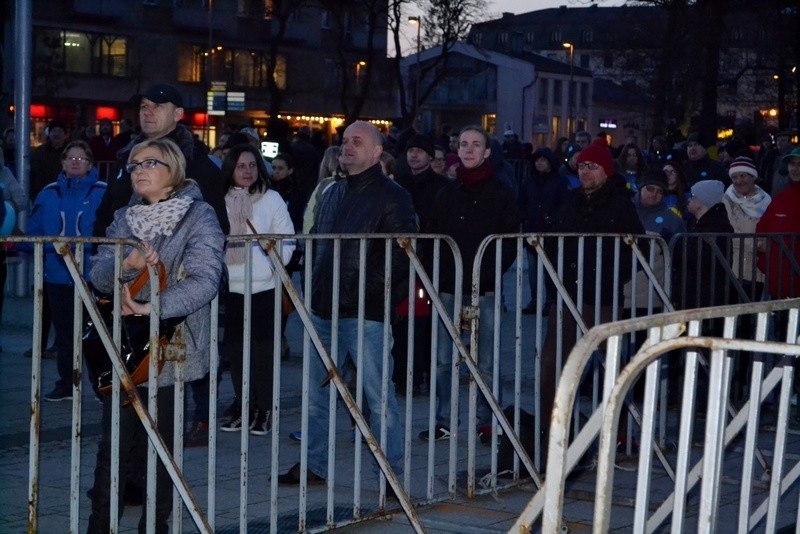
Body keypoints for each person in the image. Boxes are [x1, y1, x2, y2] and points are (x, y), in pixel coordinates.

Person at [87, 138, 224, 532]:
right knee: (111, 448)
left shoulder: (199, 215)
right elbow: (98, 275)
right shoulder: (123, 217)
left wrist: (154, 306)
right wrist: (126, 264)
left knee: (161, 452)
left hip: (171, 350)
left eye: (151, 162)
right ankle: (101, 526)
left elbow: (206, 277)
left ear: (174, 172)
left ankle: (156, 527)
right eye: (133, 165)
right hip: (126, 349)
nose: (139, 170)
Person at [277, 121, 417, 485]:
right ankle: (313, 465)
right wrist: (315, 292)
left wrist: (367, 294)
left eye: (357, 142)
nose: (347, 147)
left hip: (365, 314)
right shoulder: (332, 193)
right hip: (324, 309)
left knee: (378, 397)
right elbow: (320, 247)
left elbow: (400, 257)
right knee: (315, 395)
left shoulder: (394, 196)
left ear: (376, 152)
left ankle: (390, 473)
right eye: (344, 142)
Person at [539, 136, 645, 443]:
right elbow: (554, 238)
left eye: (593, 166)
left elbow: (636, 249)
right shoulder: (570, 201)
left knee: (611, 365)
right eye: (583, 166)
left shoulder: (620, 203)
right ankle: (553, 427)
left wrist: (611, 275)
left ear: (607, 171)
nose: (586, 172)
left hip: (602, 297)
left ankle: (617, 430)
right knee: (552, 364)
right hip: (567, 293)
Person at [421, 125, 521, 442]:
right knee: (443, 360)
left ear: (487, 152)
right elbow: (431, 235)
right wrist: (437, 274)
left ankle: (486, 421)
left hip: (485, 290)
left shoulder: (501, 192)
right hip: (449, 287)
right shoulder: (447, 192)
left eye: (476, 144)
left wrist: (488, 275)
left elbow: (508, 241)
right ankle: (444, 420)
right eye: (463, 143)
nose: (468, 150)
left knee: (487, 361)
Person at [219, 144, 295, 435]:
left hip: (264, 285)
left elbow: (288, 239)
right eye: (241, 166)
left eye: (252, 165)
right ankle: (244, 405)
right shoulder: (220, 200)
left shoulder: (272, 198)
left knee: (263, 351)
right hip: (233, 287)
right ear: (231, 169)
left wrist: (272, 262)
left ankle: (264, 408)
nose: (247, 171)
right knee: (236, 352)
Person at [25, 141, 106, 401]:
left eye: (81, 159)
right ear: (62, 163)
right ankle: (67, 383)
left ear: (91, 164)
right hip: (58, 275)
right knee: (64, 333)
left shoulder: (102, 192)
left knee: (96, 331)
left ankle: (102, 382)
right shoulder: (48, 194)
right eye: (70, 158)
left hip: (93, 276)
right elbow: (34, 232)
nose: (75, 163)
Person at [93, 83, 229, 237]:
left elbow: (217, 226)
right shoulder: (125, 159)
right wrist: (104, 253)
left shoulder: (195, 162)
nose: (147, 112)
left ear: (177, 114)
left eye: (157, 106)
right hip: (120, 256)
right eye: (144, 106)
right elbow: (105, 212)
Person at [518, 147, 570, 314]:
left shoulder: (559, 181)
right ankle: (534, 299)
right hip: (532, 230)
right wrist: (525, 217)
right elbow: (522, 202)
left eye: (543, 160)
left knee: (551, 268)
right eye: (537, 160)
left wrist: (553, 219)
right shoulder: (529, 181)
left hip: (551, 231)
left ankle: (550, 300)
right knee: (533, 270)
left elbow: (565, 204)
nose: (539, 163)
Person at [721, 156, 771, 297]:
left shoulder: (766, 201)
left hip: (756, 269)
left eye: (743, 176)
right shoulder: (726, 200)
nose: (738, 181)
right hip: (731, 268)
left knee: (752, 314)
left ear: (753, 176)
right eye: (734, 177)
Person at [756, 147, 800, 299]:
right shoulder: (781, 198)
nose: (795, 168)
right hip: (775, 281)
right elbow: (761, 231)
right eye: (792, 164)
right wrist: (766, 263)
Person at [302, 145, 342, 234]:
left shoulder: (324, 185)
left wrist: (308, 242)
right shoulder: (352, 183)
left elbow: (309, 217)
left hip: (322, 239)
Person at [30, 119, 68, 200]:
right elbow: (32, 176)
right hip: (44, 196)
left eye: (60, 131)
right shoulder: (38, 153)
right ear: (49, 134)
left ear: (65, 135)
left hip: (67, 197)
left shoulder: (71, 152)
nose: (57, 134)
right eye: (54, 131)